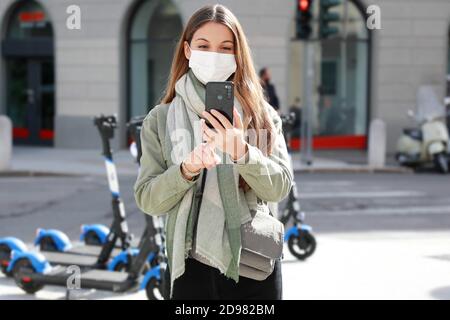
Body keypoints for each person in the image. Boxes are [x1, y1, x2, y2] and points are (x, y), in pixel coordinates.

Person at [134, 4, 293, 300]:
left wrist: (242, 150)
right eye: (204, 46)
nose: (214, 56)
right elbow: (147, 198)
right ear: (187, 51)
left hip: (255, 260)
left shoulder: (263, 116)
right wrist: (186, 170)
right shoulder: (160, 119)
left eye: (225, 48)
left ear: (237, 54)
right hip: (190, 263)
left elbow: (280, 187)